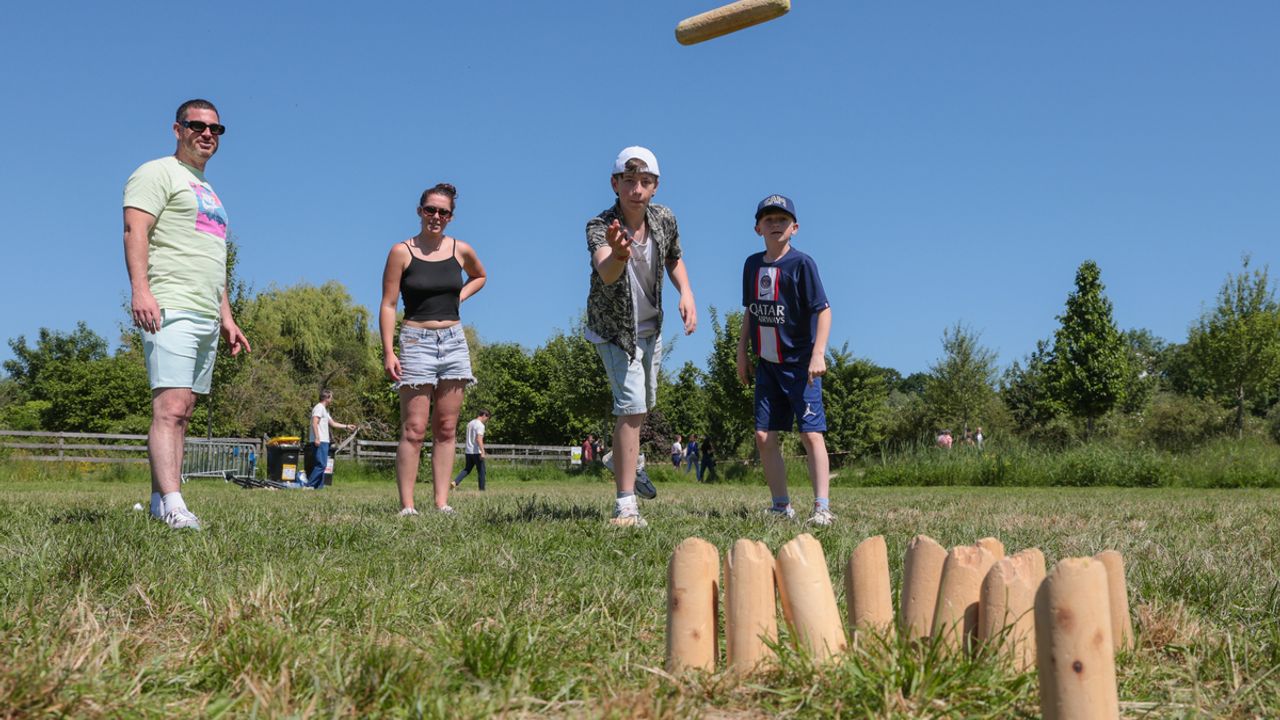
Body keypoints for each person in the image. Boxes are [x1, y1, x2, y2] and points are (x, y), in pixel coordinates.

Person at [124, 99, 249, 530]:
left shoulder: (210, 192)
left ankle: (162, 500)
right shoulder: (156, 172)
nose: (207, 134)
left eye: (215, 129)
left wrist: (226, 316)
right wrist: (141, 290)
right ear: (177, 129)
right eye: (197, 125)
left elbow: (214, 262)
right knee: (169, 406)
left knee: (185, 408)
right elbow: (134, 229)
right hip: (169, 303)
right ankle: (176, 506)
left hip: (205, 312)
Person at [585, 146, 697, 528]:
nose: (636, 189)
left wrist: (686, 292)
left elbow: (674, 257)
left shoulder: (664, 218)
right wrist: (618, 254)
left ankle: (619, 458)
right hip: (615, 332)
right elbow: (607, 273)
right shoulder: (600, 225)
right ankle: (626, 504)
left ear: (655, 187)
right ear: (615, 184)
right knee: (631, 408)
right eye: (629, 181)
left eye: (644, 182)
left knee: (644, 405)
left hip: (652, 326)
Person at [380, 183, 487, 516]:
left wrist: (458, 298)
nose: (436, 217)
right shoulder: (402, 251)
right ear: (419, 211)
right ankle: (407, 506)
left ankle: (442, 502)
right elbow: (388, 304)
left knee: (446, 428)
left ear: (451, 217)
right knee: (414, 429)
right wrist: (388, 351)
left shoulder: (460, 249)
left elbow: (480, 276)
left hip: (453, 342)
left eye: (443, 212)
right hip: (415, 342)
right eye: (431, 210)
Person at [736, 194, 835, 526]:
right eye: (769, 220)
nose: (775, 225)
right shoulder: (752, 265)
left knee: (811, 434)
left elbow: (824, 310)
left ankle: (822, 507)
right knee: (764, 436)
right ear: (757, 228)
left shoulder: (802, 264)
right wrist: (741, 354)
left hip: (800, 367)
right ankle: (781, 506)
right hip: (767, 365)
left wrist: (818, 354)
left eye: (782, 220)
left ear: (795, 227)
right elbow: (751, 311)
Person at [306, 389, 354, 489]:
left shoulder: (324, 410)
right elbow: (314, 423)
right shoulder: (318, 408)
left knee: (322, 465)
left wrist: (347, 426)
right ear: (327, 398)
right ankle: (309, 486)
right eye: (331, 397)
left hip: (324, 441)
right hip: (320, 440)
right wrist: (317, 438)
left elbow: (332, 423)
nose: (332, 400)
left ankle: (319, 488)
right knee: (321, 465)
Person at [452, 410, 491, 490]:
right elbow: (478, 439)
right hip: (476, 451)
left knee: (467, 469)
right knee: (482, 471)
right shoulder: (480, 425)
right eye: (487, 418)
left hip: (468, 451)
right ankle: (482, 490)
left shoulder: (470, 423)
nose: (486, 421)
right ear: (484, 415)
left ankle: (455, 482)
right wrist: (483, 452)